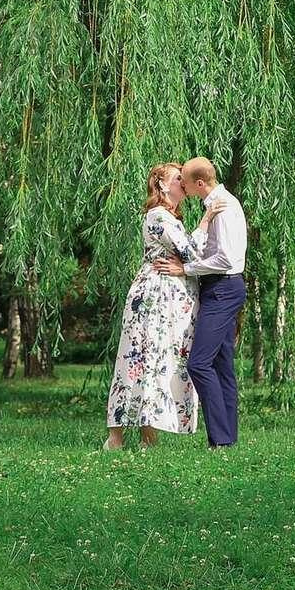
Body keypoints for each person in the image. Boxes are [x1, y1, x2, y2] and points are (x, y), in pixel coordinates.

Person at [103, 163, 200, 450]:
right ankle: (116, 436)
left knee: (153, 361)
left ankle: (148, 434)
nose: (184, 182)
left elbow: (188, 257)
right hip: (154, 298)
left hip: (164, 298)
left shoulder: (169, 217)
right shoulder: (159, 217)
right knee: (138, 359)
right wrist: (207, 223)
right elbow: (191, 252)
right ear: (160, 184)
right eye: (178, 178)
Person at [152, 156, 247, 448]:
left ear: (200, 183)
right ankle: (227, 439)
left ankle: (219, 439)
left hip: (223, 288)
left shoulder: (225, 207)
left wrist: (186, 269)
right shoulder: (214, 205)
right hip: (217, 287)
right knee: (221, 366)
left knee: (199, 364)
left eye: (185, 181)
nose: (182, 185)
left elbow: (226, 259)